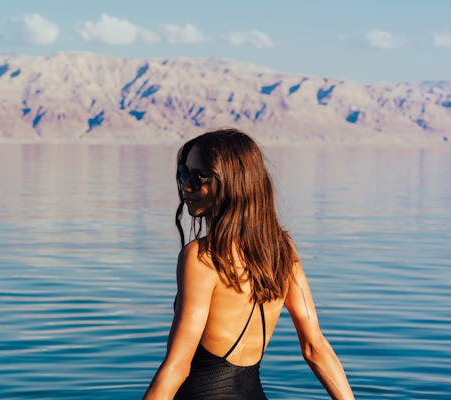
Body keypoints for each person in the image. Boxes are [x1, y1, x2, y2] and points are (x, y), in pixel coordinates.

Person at [143, 129, 354, 400]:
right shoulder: (282, 251)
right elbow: (315, 347)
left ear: (231, 182)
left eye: (198, 177)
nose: (186, 186)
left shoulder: (201, 258)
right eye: (184, 174)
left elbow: (177, 366)